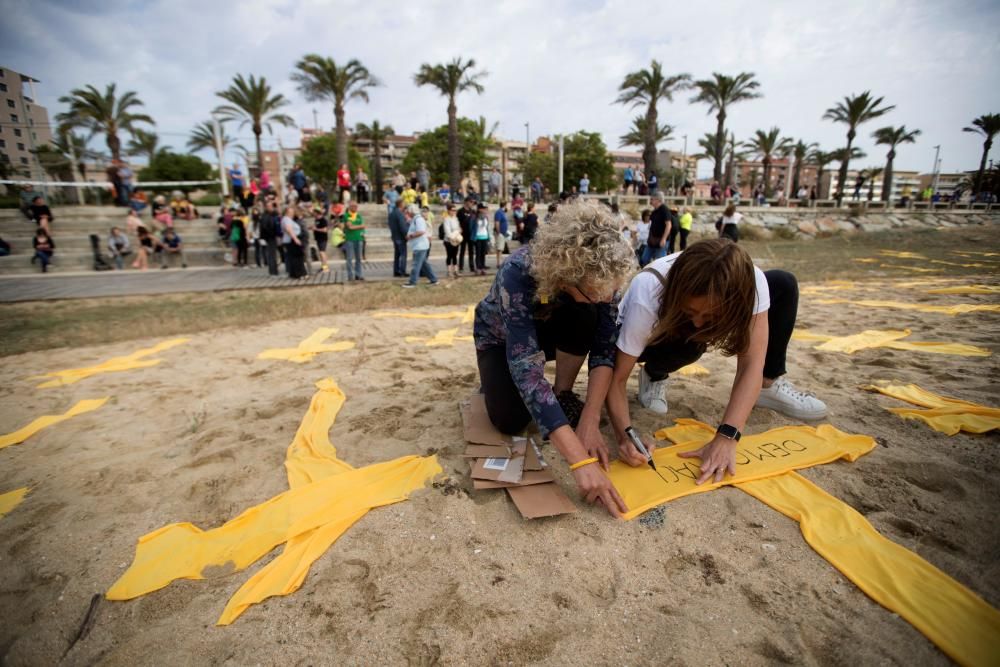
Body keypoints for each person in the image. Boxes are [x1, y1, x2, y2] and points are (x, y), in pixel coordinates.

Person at [609, 238, 828, 485]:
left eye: (711, 315)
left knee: (783, 282)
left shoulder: (753, 283)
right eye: (691, 312)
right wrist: (625, 435)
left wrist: (726, 437)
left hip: (684, 328)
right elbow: (616, 378)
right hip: (647, 341)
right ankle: (655, 372)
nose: (700, 322)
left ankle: (768, 386)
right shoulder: (648, 290)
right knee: (690, 343)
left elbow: (751, 364)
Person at [473, 200, 636, 518]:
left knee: (587, 314)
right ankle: (501, 383)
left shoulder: (603, 281)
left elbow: (604, 350)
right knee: (509, 420)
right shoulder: (518, 272)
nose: (607, 297)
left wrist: (589, 423)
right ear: (569, 274)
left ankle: (562, 393)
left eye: (612, 290)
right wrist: (580, 462)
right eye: (598, 291)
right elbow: (527, 368)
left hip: (556, 325)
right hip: (501, 338)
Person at [402, 204, 438, 287]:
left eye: (408, 211)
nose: (407, 213)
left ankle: (412, 282)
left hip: (420, 246)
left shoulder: (418, 219)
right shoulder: (416, 219)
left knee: (416, 265)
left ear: (411, 211)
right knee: (424, 264)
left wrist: (410, 236)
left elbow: (421, 231)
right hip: (420, 245)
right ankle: (434, 279)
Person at [641, 196, 671, 266]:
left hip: (661, 240)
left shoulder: (664, 210)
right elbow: (650, 224)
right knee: (644, 259)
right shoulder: (654, 211)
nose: (650, 201)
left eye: (652, 199)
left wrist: (664, 239)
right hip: (652, 240)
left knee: (660, 262)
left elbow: (668, 225)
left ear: (658, 200)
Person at [281, 207, 306, 279]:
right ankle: (298, 274)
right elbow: (288, 229)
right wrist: (295, 239)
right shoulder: (286, 219)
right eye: (291, 212)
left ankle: (294, 273)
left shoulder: (288, 219)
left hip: (291, 240)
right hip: (291, 240)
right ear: (287, 212)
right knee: (296, 258)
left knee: (293, 257)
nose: (292, 213)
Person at [343, 201, 365, 282]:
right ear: (349, 207)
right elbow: (350, 227)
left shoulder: (359, 215)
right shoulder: (346, 215)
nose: (355, 208)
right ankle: (350, 275)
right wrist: (360, 226)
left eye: (356, 206)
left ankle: (358, 275)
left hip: (359, 239)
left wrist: (359, 228)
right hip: (350, 239)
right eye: (353, 206)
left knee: (358, 258)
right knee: (349, 258)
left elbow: (363, 227)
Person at [442, 202, 462, 279]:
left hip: (456, 239)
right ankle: (449, 271)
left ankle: (456, 271)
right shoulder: (446, 219)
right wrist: (453, 236)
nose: (454, 211)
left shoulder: (456, 218)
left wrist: (458, 233)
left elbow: (459, 228)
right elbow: (447, 231)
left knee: (455, 255)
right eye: (452, 210)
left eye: (455, 210)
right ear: (449, 210)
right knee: (449, 256)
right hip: (448, 240)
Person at [456, 196, 476, 273]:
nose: (472, 204)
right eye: (470, 202)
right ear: (466, 202)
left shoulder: (473, 211)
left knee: (471, 251)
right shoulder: (460, 211)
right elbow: (458, 222)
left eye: (472, 202)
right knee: (462, 251)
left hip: (470, 234)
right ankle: (461, 266)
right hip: (463, 234)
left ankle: (472, 266)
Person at [472, 203, 491, 276]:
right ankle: (478, 268)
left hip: (485, 236)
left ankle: (482, 267)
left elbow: (486, 227)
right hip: (478, 237)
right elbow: (472, 227)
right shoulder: (475, 217)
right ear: (479, 209)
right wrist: (474, 236)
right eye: (483, 208)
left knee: (483, 253)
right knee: (478, 253)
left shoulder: (486, 217)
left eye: (485, 208)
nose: (485, 210)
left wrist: (488, 237)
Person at [310, 206, 330, 272]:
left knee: (322, 252)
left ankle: (326, 267)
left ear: (317, 213)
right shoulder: (316, 220)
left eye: (314, 213)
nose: (313, 214)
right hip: (318, 238)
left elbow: (325, 230)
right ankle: (323, 266)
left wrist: (316, 229)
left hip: (323, 238)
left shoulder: (323, 220)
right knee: (321, 253)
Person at [493, 201, 510, 267]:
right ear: (505, 205)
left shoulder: (503, 212)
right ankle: (498, 263)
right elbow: (497, 223)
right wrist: (498, 232)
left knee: (501, 248)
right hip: (500, 233)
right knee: (499, 248)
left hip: (503, 233)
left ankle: (500, 261)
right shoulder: (499, 212)